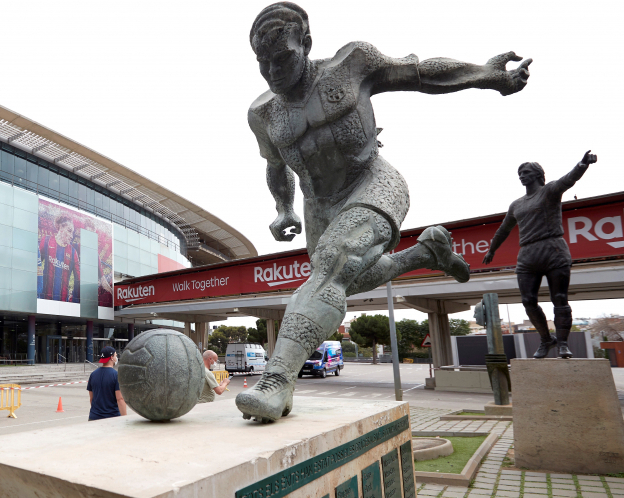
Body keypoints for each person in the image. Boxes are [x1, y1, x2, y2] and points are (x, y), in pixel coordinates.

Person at [237, 2, 532, 423]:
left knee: (335, 266)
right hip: (319, 205)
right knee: (343, 279)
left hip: (372, 181)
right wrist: (283, 208)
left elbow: (422, 72)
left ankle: (276, 381)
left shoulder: (352, 63)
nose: (272, 71)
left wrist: (487, 75)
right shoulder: (262, 113)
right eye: (262, 63)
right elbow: (274, 165)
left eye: (281, 57)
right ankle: (424, 253)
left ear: (305, 44)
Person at [482, 151, 597, 358]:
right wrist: (492, 249)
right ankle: (546, 340)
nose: (521, 176)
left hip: (553, 249)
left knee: (559, 297)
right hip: (527, 254)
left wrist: (582, 164)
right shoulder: (516, 204)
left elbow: (568, 180)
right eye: (519, 173)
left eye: (525, 172)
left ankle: (562, 343)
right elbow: (504, 229)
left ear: (537, 174)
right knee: (528, 301)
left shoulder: (549, 191)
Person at [38, 215, 81, 302]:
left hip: (63, 304)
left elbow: (79, 279)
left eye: (72, 232)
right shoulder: (46, 240)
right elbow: (35, 265)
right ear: (60, 228)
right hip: (43, 300)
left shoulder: (73, 252)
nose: (71, 236)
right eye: (69, 231)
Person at [87, 346, 127, 421]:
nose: (116, 357)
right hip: (112, 417)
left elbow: (92, 399)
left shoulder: (93, 374)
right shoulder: (116, 375)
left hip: (94, 417)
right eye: (115, 355)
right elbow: (120, 399)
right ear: (111, 357)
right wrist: (125, 418)